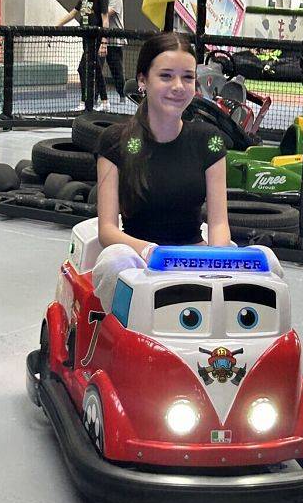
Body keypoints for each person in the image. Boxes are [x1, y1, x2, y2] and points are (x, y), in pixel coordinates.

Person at [92, 31, 232, 311]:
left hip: (193, 256)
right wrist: (151, 251)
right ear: (143, 80)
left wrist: (216, 263)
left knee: (267, 263)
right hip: (138, 259)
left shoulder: (210, 140)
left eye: (187, 77)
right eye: (166, 76)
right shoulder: (115, 142)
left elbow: (218, 225)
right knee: (112, 262)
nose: (178, 86)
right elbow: (107, 230)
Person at [57, 0, 109, 111]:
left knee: (82, 69)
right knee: (95, 68)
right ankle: (104, 101)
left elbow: (105, 20)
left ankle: (85, 101)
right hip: (85, 39)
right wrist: (57, 25)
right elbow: (73, 13)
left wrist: (104, 42)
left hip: (96, 39)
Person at [96, 0, 126, 108]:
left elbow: (112, 9)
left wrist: (96, 13)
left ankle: (123, 94)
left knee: (116, 69)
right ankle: (94, 96)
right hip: (98, 35)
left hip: (114, 36)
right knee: (96, 66)